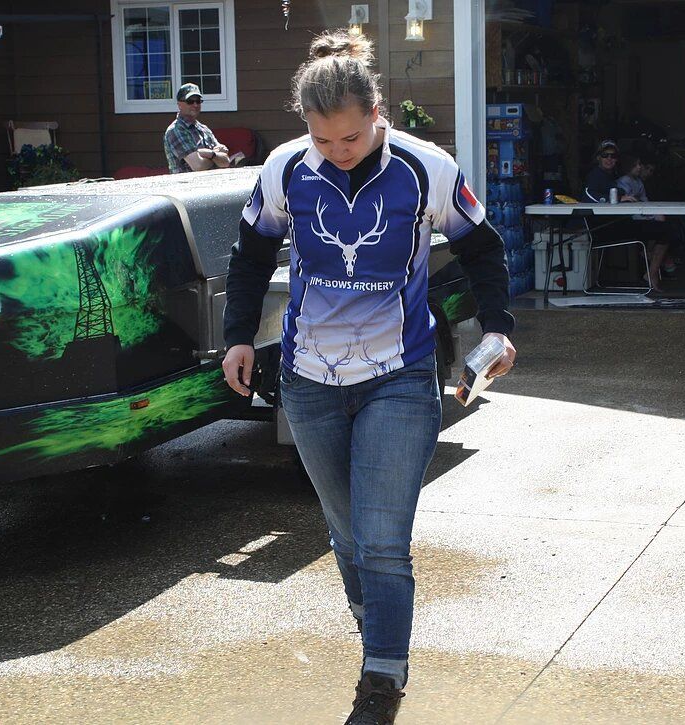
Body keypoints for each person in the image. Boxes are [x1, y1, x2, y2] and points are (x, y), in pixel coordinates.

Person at [220, 30, 515, 724]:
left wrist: (497, 327)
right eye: (324, 141)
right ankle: (380, 636)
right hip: (309, 381)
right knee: (348, 535)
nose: (338, 151)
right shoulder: (285, 168)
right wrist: (236, 335)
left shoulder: (426, 167)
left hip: (399, 376)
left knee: (382, 540)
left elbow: (481, 245)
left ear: (377, 111)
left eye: (350, 138)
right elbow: (252, 248)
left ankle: (380, 682)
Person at [616, 155, 671, 288]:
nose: (639, 167)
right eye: (636, 165)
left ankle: (650, 256)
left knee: (663, 225)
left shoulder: (638, 182)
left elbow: (645, 201)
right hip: (629, 220)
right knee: (664, 230)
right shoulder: (624, 181)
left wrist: (651, 212)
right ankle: (651, 267)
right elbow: (629, 205)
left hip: (641, 215)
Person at [163, 83, 232, 174]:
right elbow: (198, 166)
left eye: (198, 101)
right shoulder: (176, 130)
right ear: (179, 104)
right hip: (187, 186)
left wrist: (209, 154)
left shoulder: (204, 129)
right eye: (190, 101)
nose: (195, 105)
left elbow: (226, 161)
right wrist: (215, 156)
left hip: (211, 185)